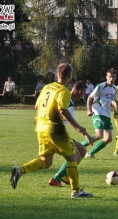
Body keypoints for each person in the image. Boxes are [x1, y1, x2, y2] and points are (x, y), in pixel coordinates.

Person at [10, 63, 94, 198]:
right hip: (55, 129)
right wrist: (81, 129)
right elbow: (63, 111)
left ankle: (20, 170)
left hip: (40, 128)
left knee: (45, 162)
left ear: (57, 74)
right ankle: (76, 191)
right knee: (74, 157)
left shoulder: (47, 87)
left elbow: (36, 105)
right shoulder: (64, 91)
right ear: (69, 76)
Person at [48, 80, 90, 187]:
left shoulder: (70, 100)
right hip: (56, 133)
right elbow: (66, 116)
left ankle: (60, 177)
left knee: (82, 150)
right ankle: (56, 179)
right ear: (79, 91)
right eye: (84, 92)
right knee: (75, 157)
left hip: (60, 132)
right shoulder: (66, 98)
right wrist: (83, 132)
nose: (84, 95)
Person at [84, 68, 118, 159]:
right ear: (106, 77)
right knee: (99, 135)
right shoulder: (101, 86)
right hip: (98, 112)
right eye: (110, 77)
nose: (112, 79)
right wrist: (88, 110)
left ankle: (90, 153)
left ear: (115, 78)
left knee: (108, 138)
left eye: (113, 77)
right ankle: (79, 146)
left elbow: (115, 101)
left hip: (107, 114)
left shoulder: (115, 88)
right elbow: (90, 98)